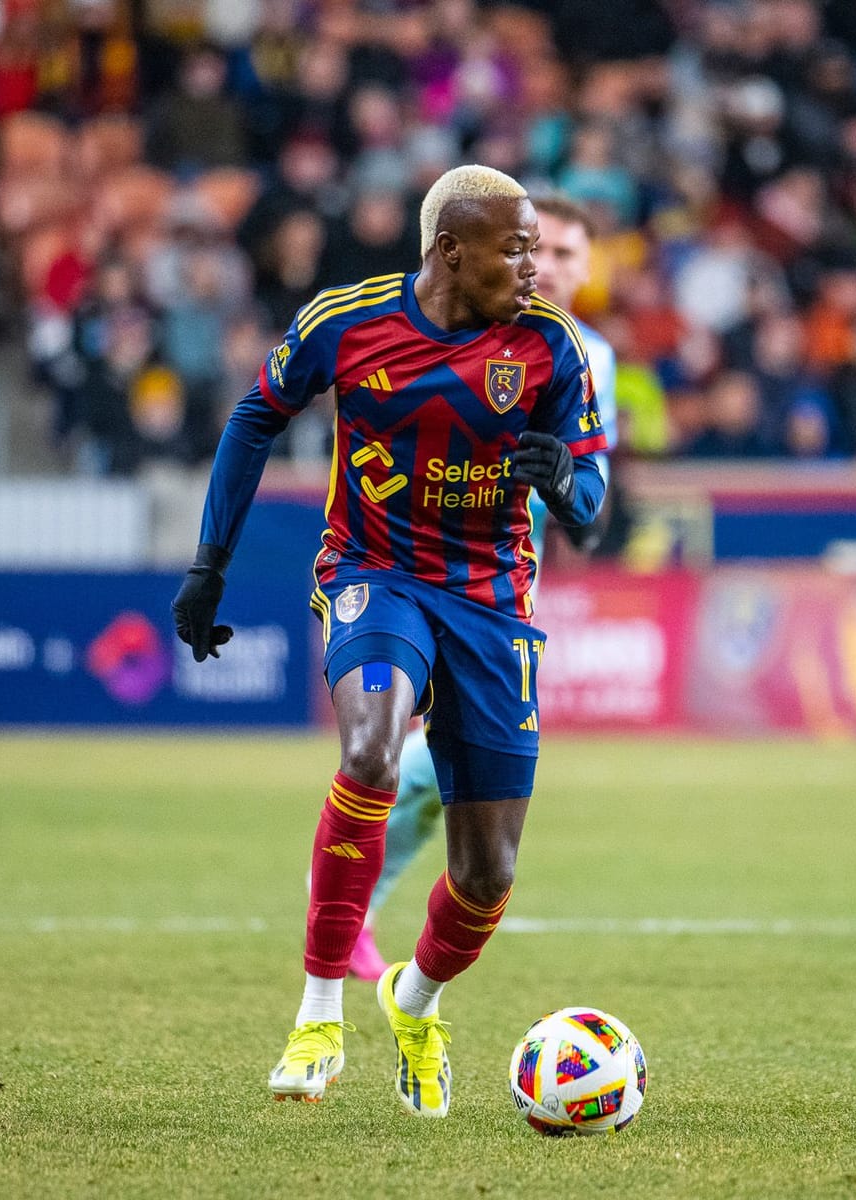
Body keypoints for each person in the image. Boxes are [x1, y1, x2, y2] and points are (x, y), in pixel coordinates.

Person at [171, 165, 608, 1116]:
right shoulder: (346, 321)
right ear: (452, 249)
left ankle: (414, 1000)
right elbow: (254, 419)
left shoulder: (550, 347)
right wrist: (210, 563)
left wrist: (562, 477)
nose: (536, 267)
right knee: (370, 753)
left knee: (487, 871)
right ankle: (318, 1015)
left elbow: (593, 498)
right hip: (376, 575)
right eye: (518, 247)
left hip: (492, 601)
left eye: (539, 247)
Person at [348, 192, 620, 982]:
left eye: (572, 256)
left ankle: (360, 899)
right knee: (424, 766)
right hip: (420, 573)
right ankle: (352, 905)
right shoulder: (450, 325)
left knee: (442, 777)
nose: (555, 269)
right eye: (546, 251)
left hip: (508, 590)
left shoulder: (583, 355)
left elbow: (590, 514)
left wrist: (569, 489)